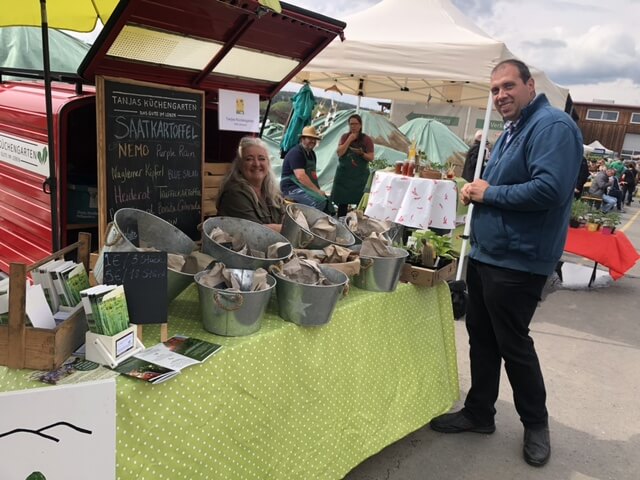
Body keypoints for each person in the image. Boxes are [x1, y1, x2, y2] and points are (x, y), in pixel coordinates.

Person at [429, 59, 583, 468]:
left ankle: (536, 424)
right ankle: (480, 412)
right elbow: (501, 184)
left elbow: (550, 189)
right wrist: (477, 193)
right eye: (495, 89)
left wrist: (489, 194)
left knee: (513, 344)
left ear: (530, 85)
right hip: (488, 254)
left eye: (508, 86)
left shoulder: (551, 126)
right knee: (482, 337)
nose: (500, 96)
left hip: (519, 260)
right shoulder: (516, 128)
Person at [216, 136, 284, 232]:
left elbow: (286, 219)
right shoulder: (234, 193)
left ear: (268, 163)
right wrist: (289, 229)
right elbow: (254, 231)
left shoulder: (273, 191)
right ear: (239, 164)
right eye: (249, 159)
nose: (256, 164)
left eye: (261, 159)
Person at [280, 126, 332, 213]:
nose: (312, 141)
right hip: (291, 187)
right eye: (309, 138)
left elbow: (312, 176)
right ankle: (306, 225)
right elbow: (301, 176)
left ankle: (322, 225)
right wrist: (317, 191)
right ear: (302, 139)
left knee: (327, 202)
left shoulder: (312, 154)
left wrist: (319, 191)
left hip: (303, 186)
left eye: (314, 139)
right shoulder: (296, 152)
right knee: (316, 203)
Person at [332, 114, 375, 217]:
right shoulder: (344, 137)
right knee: (342, 203)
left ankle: (356, 223)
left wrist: (362, 154)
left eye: (355, 124)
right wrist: (349, 140)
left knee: (359, 202)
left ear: (360, 125)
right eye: (351, 124)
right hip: (344, 175)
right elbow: (339, 153)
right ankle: (341, 222)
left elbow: (371, 157)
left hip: (359, 176)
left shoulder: (366, 139)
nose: (353, 126)